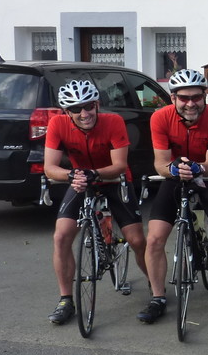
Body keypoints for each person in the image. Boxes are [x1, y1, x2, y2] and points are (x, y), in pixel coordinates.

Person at [141, 69, 208, 323]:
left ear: (205, 96)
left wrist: (198, 168)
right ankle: (157, 298)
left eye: (196, 97)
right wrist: (173, 169)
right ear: (173, 98)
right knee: (154, 238)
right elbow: (160, 163)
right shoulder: (160, 118)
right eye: (184, 98)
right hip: (174, 176)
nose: (191, 103)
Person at [44, 80, 149, 324]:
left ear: (97, 105)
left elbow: (120, 165)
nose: (84, 113)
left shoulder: (113, 122)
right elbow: (50, 167)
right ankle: (65, 300)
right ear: (66, 112)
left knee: (136, 240)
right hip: (80, 180)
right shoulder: (57, 124)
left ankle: (156, 289)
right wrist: (71, 175)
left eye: (89, 106)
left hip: (113, 179)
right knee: (61, 237)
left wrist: (95, 173)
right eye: (76, 109)